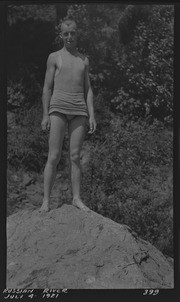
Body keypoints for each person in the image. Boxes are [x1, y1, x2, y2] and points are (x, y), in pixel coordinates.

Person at [40, 18, 96, 212]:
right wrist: (45, 115)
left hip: (79, 110)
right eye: (66, 33)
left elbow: (88, 89)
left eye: (72, 33)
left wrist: (92, 114)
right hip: (58, 108)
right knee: (54, 156)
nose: (69, 36)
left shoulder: (84, 60)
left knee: (75, 156)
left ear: (77, 33)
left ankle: (76, 198)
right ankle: (46, 201)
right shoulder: (54, 57)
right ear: (61, 35)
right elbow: (47, 88)